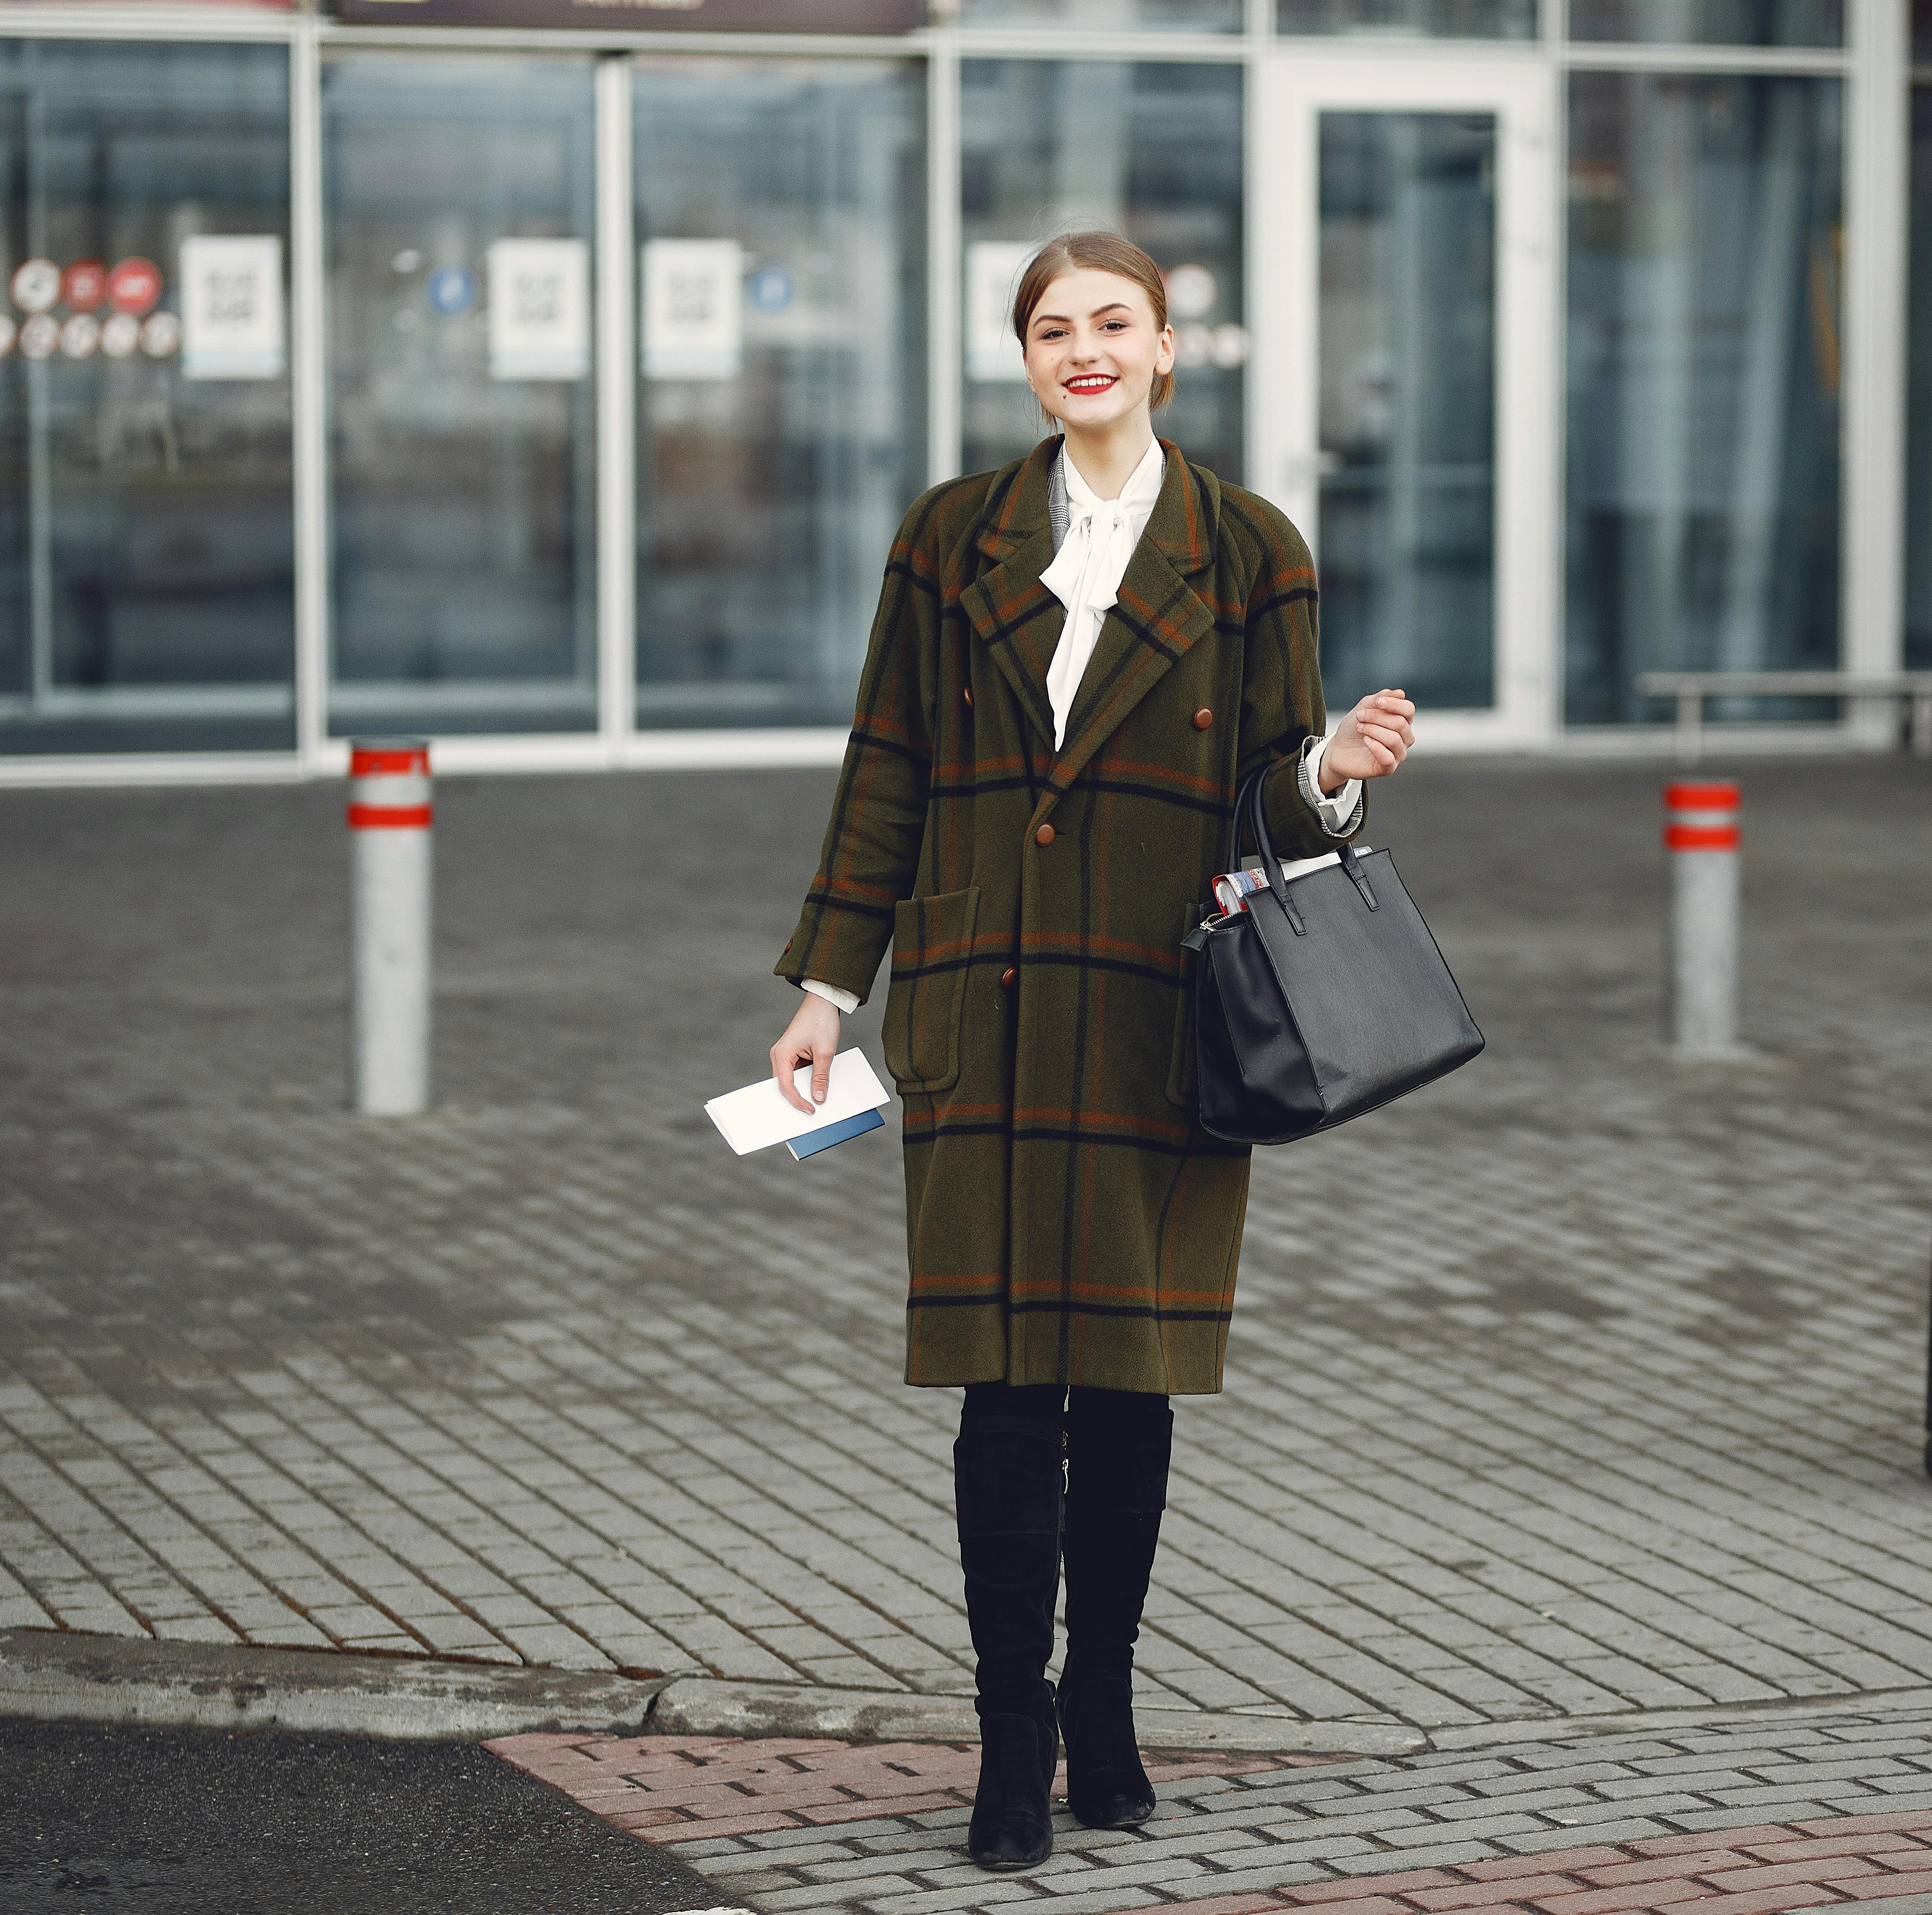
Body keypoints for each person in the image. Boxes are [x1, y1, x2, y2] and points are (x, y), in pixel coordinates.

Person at [765, 230, 1418, 1870]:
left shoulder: (1252, 548)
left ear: (1169, 348)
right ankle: (1012, 1738)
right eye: (1053, 328)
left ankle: (1109, 1709)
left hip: (1157, 1011)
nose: (1084, 350)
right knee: (1002, 1390)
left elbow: (1264, 804)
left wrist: (1329, 770)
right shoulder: (949, 538)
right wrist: (826, 989)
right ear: (1028, 358)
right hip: (983, 1000)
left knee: (1128, 1389)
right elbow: (885, 773)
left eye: (1112, 322)